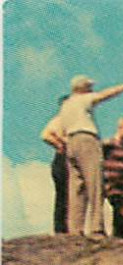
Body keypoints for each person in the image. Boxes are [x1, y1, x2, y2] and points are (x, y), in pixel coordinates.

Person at [40, 74, 123, 237]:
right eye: (89, 87)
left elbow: (51, 132)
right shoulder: (83, 99)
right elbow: (105, 95)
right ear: (84, 88)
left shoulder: (66, 106)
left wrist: (61, 144)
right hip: (86, 139)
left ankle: (74, 229)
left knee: (76, 188)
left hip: (71, 142)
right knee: (94, 184)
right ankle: (96, 227)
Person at [42, 95, 69, 233]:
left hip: (71, 159)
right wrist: (61, 143)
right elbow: (45, 135)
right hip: (63, 158)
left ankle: (69, 227)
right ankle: (61, 229)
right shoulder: (60, 121)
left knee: (72, 195)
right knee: (63, 194)